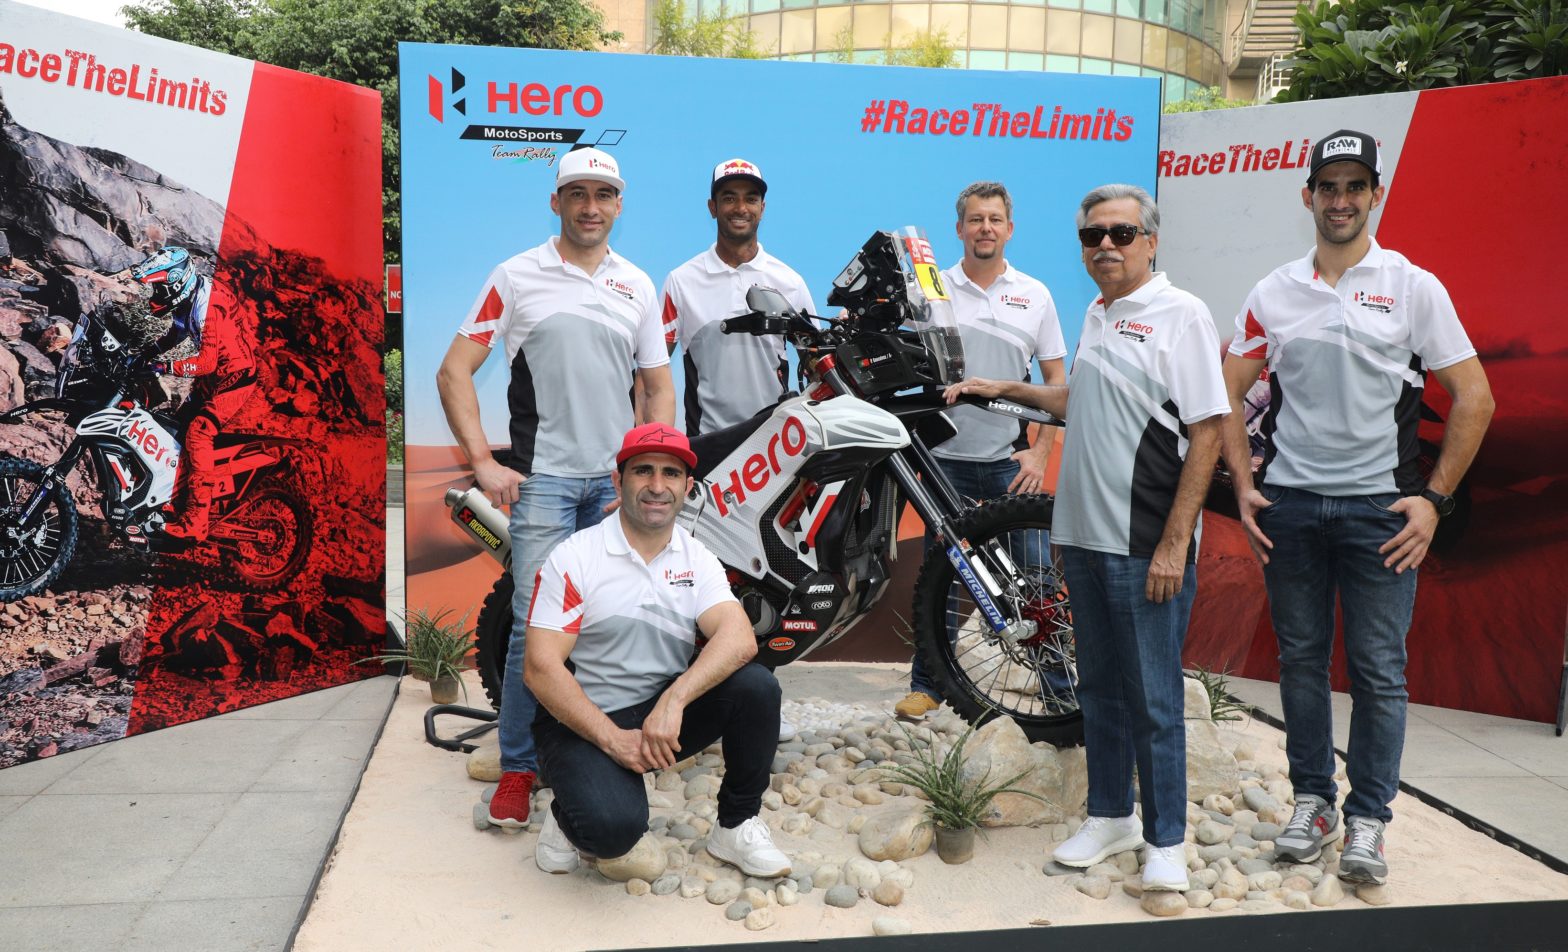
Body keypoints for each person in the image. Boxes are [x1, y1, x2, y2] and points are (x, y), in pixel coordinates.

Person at [1219, 130, 1494, 885]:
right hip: (1293, 509)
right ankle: (1314, 802)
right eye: (1328, 187)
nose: (1340, 200)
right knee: (1301, 664)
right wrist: (1242, 485)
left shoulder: (1413, 286)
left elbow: (1475, 397)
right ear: (1308, 195)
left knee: (1378, 672)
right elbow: (1226, 393)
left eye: (1354, 187)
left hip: (1381, 514)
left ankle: (1369, 818)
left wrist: (1433, 502)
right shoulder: (1274, 290)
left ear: (1376, 195)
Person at [946, 184, 1228, 892]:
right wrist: (1004, 388)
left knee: (1154, 701)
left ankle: (1166, 841)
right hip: (1082, 536)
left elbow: (1207, 432)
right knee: (1097, 688)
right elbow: (1081, 401)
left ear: (1150, 241)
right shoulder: (1100, 314)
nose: (1105, 245)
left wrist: (1175, 544)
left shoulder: (1181, 313)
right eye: (1092, 235)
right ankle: (1111, 816)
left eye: (1121, 233)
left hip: (1144, 544)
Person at [436, 148, 675, 831]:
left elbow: (657, 387)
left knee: (611, 624)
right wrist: (482, 462)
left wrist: (649, 472)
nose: (590, 207)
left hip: (614, 489)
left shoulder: (637, 283)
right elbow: (454, 371)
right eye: (578, 194)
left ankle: (594, 749)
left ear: (618, 205)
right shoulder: (516, 275)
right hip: (542, 485)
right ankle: (518, 767)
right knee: (531, 632)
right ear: (557, 202)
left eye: (603, 195)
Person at [525, 423, 789, 877]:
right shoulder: (575, 556)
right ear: (618, 480)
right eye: (643, 471)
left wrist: (674, 701)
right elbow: (539, 668)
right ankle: (565, 815)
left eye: (671, 474)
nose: (657, 485)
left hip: (657, 712)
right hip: (581, 718)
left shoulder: (696, 557)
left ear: (688, 487)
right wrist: (614, 740)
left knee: (757, 688)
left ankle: (736, 825)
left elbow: (739, 637)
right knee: (612, 833)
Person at [894, 180, 1067, 721]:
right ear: (959, 229)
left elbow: (1057, 383)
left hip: (1006, 463)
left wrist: (1039, 455)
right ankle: (928, 686)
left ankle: (1060, 686)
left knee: (1037, 579)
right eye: (975, 219)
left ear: (1009, 229)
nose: (984, 228)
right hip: (940, 462)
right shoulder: (931, 291)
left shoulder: (1035, 295)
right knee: (940, 578)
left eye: (994, 219)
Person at [659, 158, 812, 436]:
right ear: (712, 207)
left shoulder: (790, 282)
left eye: (751, 199)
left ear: (762, 209)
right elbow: (652, 368)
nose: (741, 208)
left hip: (775, 444)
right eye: (729, 198)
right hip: (707, 444)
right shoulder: (680, 282)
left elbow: (815, 364)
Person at [130, 246, 256, 542]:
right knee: (176, 429)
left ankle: (196, 522)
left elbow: (206, 362)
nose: (156, 295)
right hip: (215, 378)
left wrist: (164, 366)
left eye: (160, 288)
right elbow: (175, 334)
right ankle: (174, 499)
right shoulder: (189, 297)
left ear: (176, 283)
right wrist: (141, 355)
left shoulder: (208, 305)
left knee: (198, 434)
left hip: (236, 379)